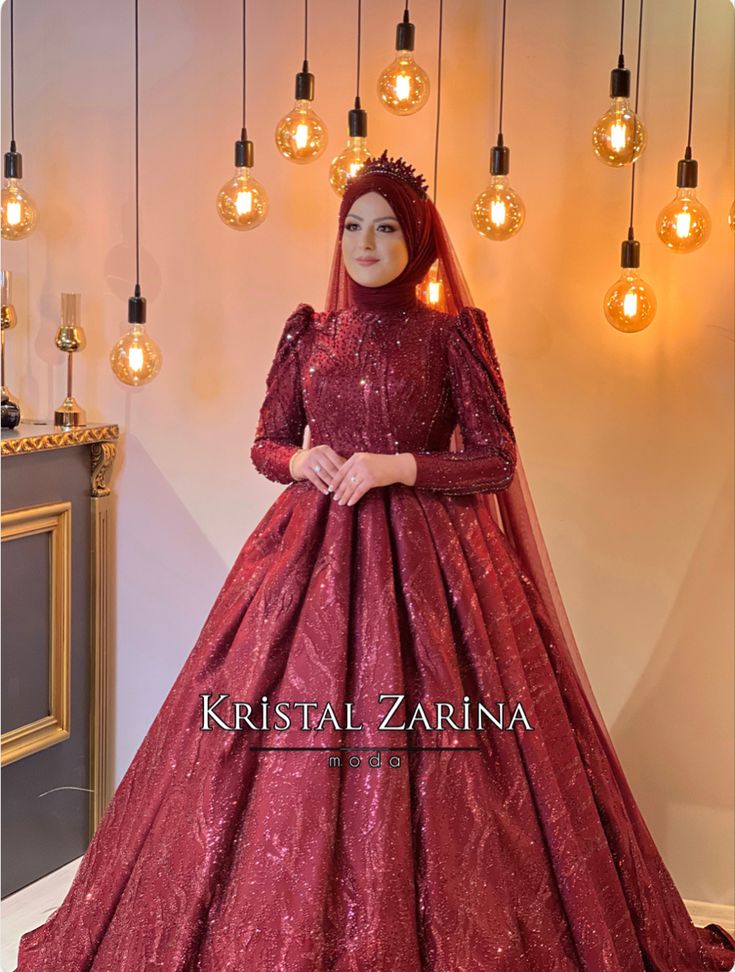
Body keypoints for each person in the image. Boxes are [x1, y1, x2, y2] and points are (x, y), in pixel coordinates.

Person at [14, 152, 735, 971]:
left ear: (417, 242)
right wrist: (299, 462)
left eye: (386, 226)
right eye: (353, 224)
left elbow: (495, 459)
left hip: (433, 570)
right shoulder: (308, 335)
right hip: (306, 559)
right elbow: (266, 440)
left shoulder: (449, 337)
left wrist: (400, 467)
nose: (366, 241)